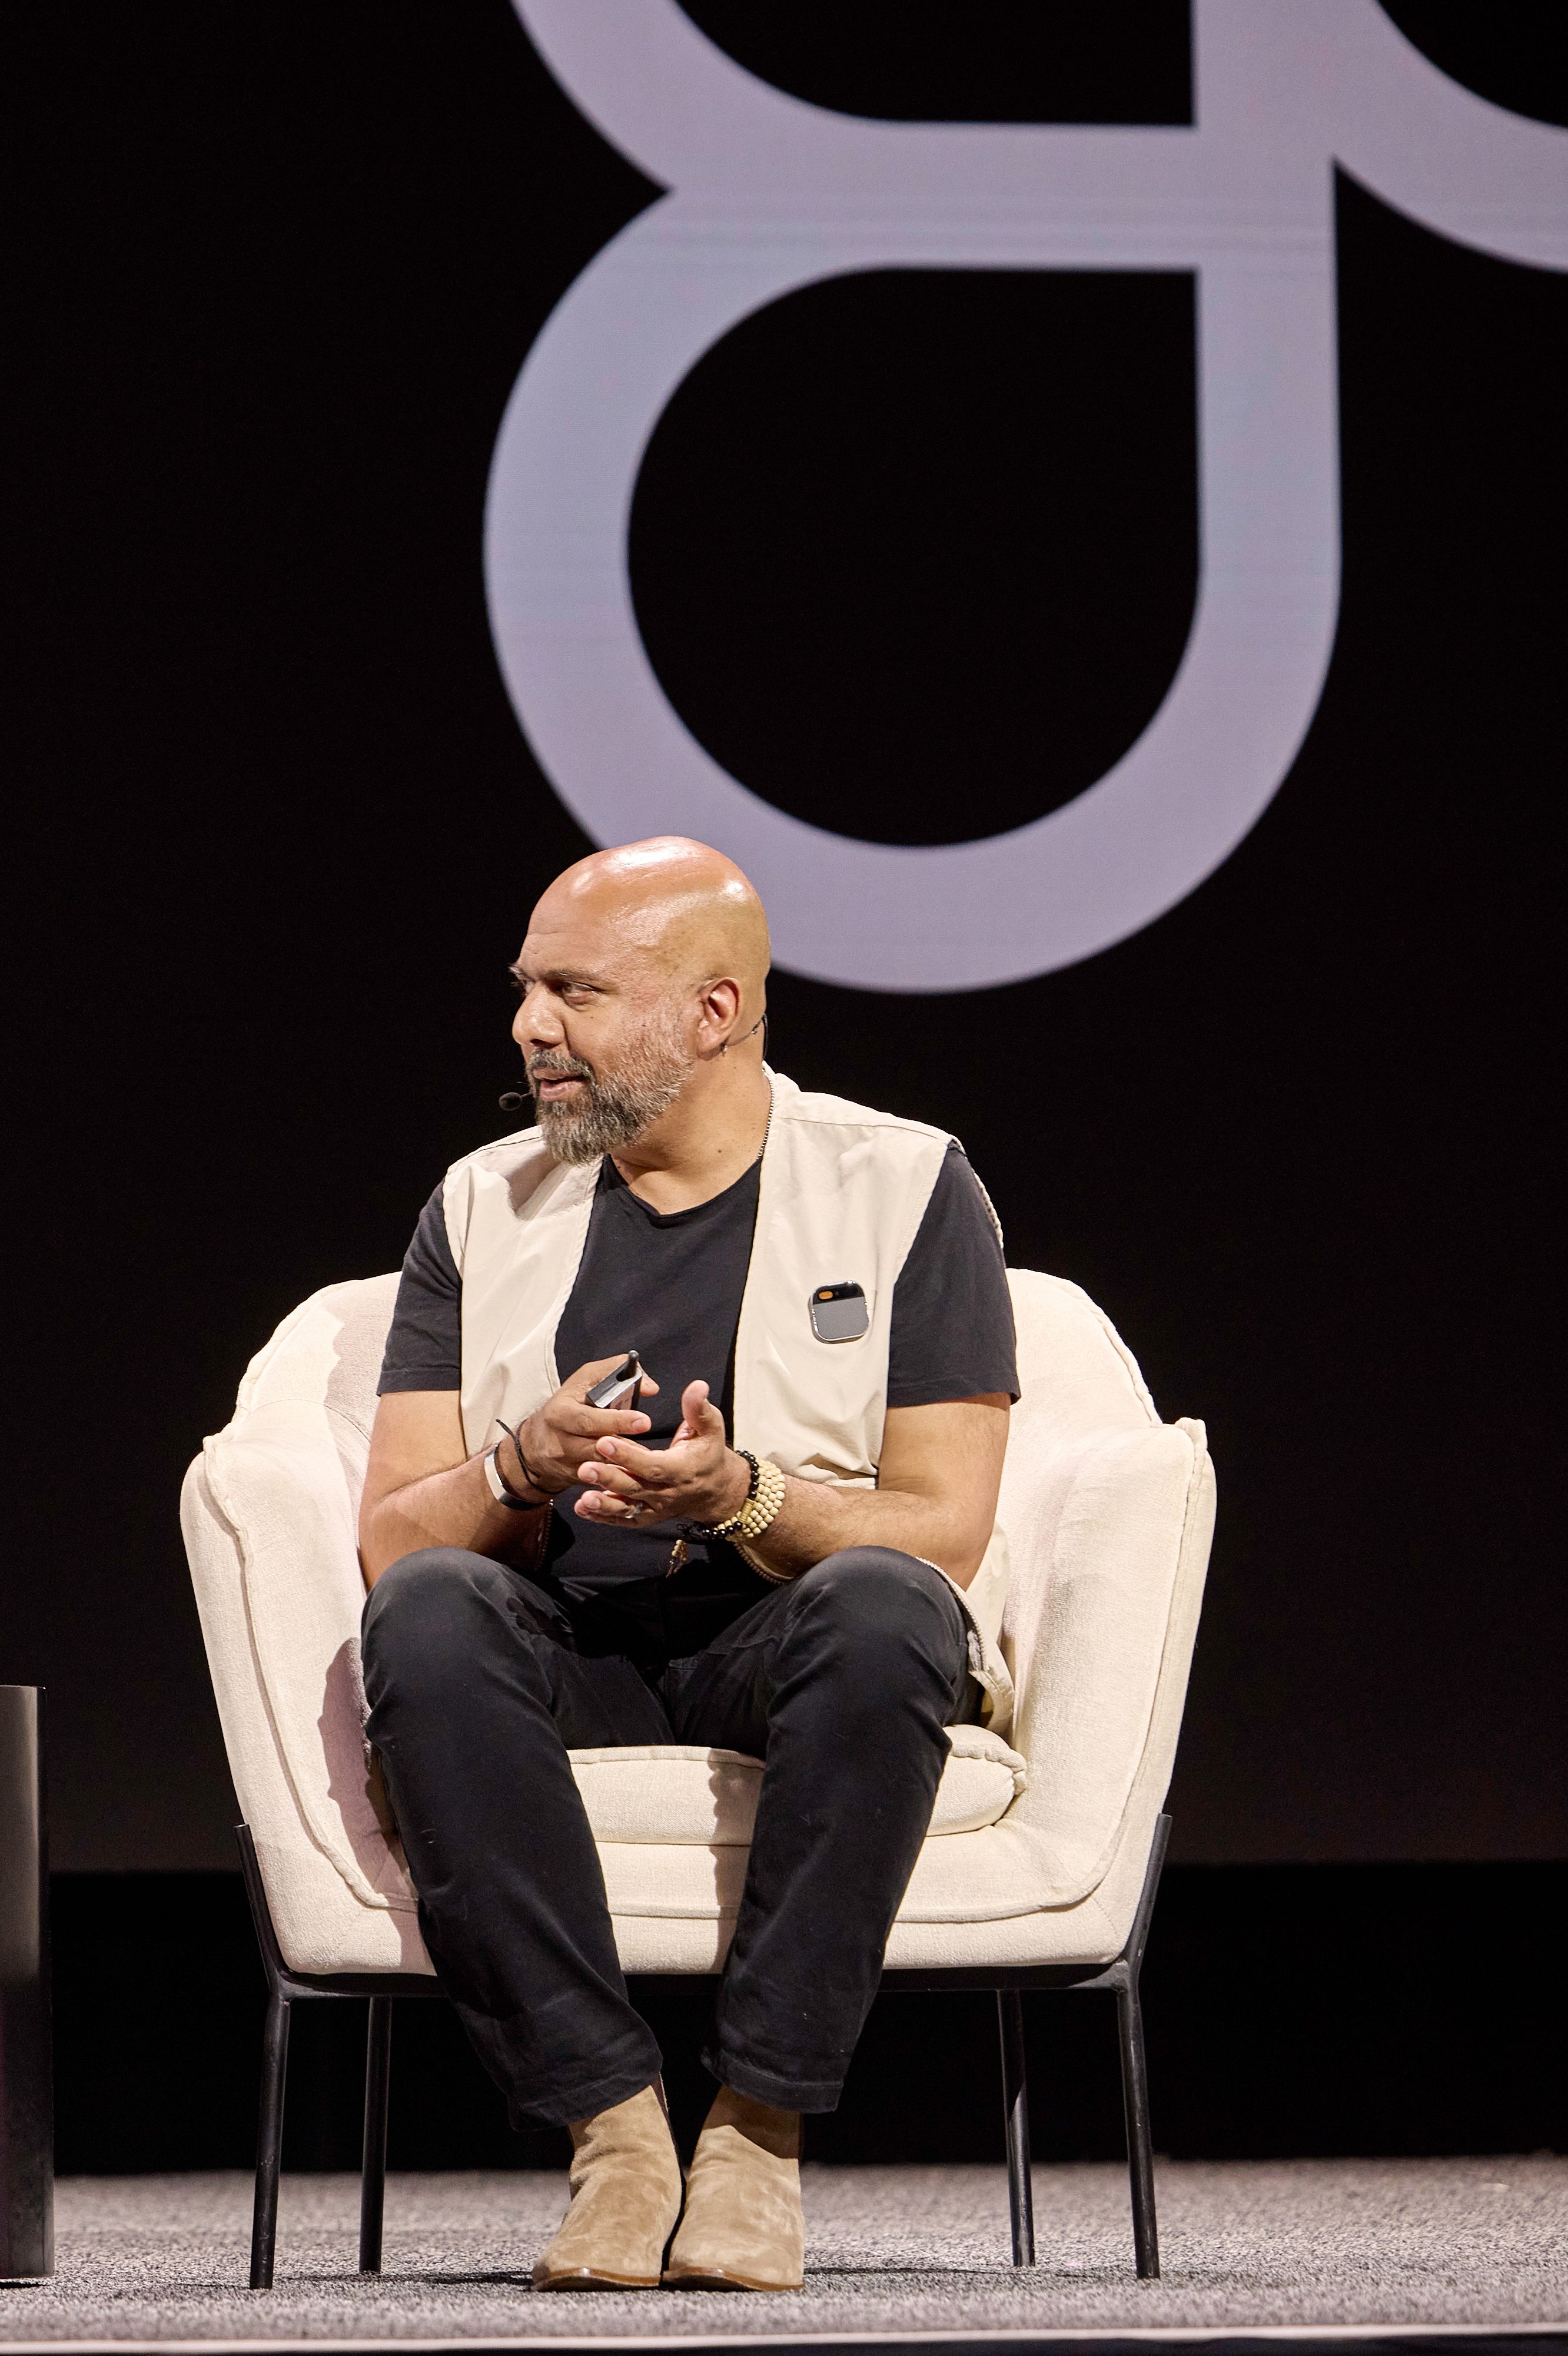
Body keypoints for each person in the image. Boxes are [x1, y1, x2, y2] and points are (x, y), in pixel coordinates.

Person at [358, 837, 1019, 2293]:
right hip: (566, 1651)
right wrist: (517, 1467)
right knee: (424, 1611)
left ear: (714, 1013)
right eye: (528, 990)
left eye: (578, 992)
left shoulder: (905, 1187)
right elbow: (391, 1533)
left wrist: (743, 1495)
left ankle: (756, 2138)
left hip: (777, 1652)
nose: (533, 1027)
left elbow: (943, 1526)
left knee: (892, 1607)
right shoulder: (482, 1205)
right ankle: (614, 2135)